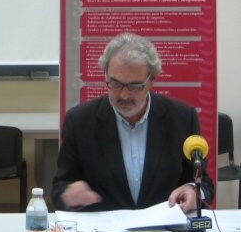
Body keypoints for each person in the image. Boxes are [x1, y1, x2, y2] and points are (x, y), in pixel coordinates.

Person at [51, 33, 214, 213]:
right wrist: (68, 195)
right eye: (115, 84)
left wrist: (193, 190)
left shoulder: (181, 118)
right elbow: (59, 188)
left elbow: (203, 182)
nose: (124, 95)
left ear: (152, 79)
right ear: (105, 74)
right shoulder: (80, 121)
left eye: (135, 86)